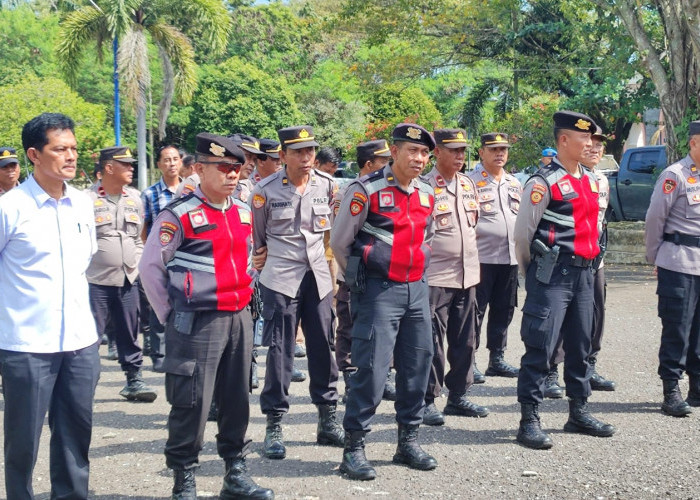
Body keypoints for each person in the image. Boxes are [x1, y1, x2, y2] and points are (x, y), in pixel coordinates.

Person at [139, 133, 273, 499]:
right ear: (198, 169)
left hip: (238, 318)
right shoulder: (178, 214)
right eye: (224, 168)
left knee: (236, 399)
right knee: (192, 403)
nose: (233, 175)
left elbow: (247, 259)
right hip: (197, 321)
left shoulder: (242, 211)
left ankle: (236, 472)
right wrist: (173, 315)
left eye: (237, 168)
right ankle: (184, 478)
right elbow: (151, 269)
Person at [0, 112, 101, 499]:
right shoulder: (12, 208)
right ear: (34, 155)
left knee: (75, 439)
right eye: (60, 149)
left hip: (79, 342)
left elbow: (85, 259)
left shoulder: (82, 203)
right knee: (23, 443)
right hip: (26, 346)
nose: (71, 156)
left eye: (74, 148)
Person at [331, 123, 437, 480]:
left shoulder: (426, 192)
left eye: (424, 152)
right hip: (378, 292)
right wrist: (363, 278)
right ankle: (354, 449)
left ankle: (408, 442)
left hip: (416, 291)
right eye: (412, 150)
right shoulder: (366, 189)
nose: (419, 158)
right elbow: (340, 242)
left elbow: (429, 236)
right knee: (372, 370)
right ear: (394, 152)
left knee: (417, 366)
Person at [514, 111, 615, 450]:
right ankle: (529, 419)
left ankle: (578, 411)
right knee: (540, 345)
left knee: (581, 344)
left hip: (586, 273)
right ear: (563, 141)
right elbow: (523, 236)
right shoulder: (542, 182)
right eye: (583, 138)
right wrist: (535, 277)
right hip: (553, 274)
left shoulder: (593, 179)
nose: (590, 144)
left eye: (591, 138)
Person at [250, 125, 344, 460]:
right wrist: (262, 259)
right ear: (283, 156)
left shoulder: (328, 185)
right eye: (298, 152)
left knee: (323, 345)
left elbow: (334, 231)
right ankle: (274, 424)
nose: (306, 158)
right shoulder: (264, 190)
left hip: (317, 276)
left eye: (310, 151)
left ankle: (327, 418)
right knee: (280, 351)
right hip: (280, 278)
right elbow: (258, 240)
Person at [420, 128, 487, 427]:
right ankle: (427, 399)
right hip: (436, 276)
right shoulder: (423, 186)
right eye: (454, 150)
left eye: (463, 151)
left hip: (468, 275)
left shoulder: (469, 184)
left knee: (466, 339)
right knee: (432, 342)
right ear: (437, 152)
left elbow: (475, 226)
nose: (460, 156)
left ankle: (458, 395)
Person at [86, 145, 156, 402]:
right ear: (108, 168)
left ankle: (134, 379)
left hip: (127, 279)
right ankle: (85, 383)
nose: (131, 168)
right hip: (95, 280)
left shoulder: (134, 198)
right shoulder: (86, 200)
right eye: (125, 164)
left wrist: (136, 266)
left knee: (130, 330)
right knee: (91, 336)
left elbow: (138, 239)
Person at [645, 119, 700, 417]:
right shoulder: (674, 175)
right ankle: (671, 391)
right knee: (677, 328)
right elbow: (655, 219)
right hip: (678, 262)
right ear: (693, 143)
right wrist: (657, 257)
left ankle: (697, 387)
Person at [333, 139, 392, 403]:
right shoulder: (349, 192)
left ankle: (383, 377)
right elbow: (341, 239)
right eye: (384, 162)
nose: (390, 166)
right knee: (349, 328)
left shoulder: (390, 189)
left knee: (382, 328)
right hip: (354, 272)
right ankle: (350, 379)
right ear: (369, 164)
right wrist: (350, 274)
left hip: (381, 273)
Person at [468, 133, 521, 382]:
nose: (500, 153)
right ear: (481, 152)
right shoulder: (469, 182)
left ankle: (496, 359)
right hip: (481, 258)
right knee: (475, 311)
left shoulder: (514, 182)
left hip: (509, 259)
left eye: (504, 149)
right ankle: (469, 360)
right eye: (494, 149)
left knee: (504, 309)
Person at [141, 144, 183, 371]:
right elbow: (145, 227)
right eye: (166, 160)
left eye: (175, 159)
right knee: (158, 302)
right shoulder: (149, 194)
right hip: (160, 255)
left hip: (183, 256)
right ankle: (158, 355)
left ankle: (177, 350)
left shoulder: (189, 190)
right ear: (159, 164)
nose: (171, 164)